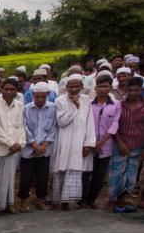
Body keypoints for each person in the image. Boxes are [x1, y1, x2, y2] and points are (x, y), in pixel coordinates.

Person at [51, 74, 96, 210]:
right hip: (65, 141)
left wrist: (88, 143)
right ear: (67, 87)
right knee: (62, 168)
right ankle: (61, 201)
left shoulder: (87, 100)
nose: (74, 89)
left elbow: (90, 123)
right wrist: (74, 107)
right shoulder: (60, 101)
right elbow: (61, 122)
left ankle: (70, 199)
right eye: (71, 87)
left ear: (82, 87)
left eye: (77, 86)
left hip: (80, 140)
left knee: (75, 168)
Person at [81, 75, 120, 209]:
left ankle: (92, 200)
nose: (102, 89)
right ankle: (82, 200)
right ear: (95, 87)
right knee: (85, 174)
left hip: (105, 145)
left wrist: (100, 142)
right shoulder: (88, 104)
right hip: (88, 145)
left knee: (99, 175)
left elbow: (114, 125)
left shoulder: (116, 105)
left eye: (105, 86)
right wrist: (91, 143)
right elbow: (84, 124)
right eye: (100, 86)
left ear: (110, 87)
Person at [19, 83, 56, 212]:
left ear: (47, 95)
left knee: (43, 177)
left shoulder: (53, 108)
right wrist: (34, 145)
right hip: (29, 149)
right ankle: (23, 202)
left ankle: (40, 200)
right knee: (25, 178)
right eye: (37, 97)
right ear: (33, 95)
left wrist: (44, 146)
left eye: (43, 97)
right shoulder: (26, 109)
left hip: (45, 149)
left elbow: (53, 128)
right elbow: (25, 128)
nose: (40, 99)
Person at [0, 78, 26, 214]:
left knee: (10, 178)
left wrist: (20, 144)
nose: (9, 92)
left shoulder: (19, 105)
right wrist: (10, 144)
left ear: (16, 91)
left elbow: (21, 126)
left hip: (15, 148)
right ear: (1, 89)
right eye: (6, 89)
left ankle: (8, 204)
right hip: (0, 147)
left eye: (12, 89)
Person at [109, 76, 144, 211]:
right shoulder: (119, 105)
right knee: (117, 175)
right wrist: (119, 142)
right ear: (126, 90)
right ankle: (112, 201)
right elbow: (114, 126)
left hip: (137, 146)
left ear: (141, 90)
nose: (133, 93)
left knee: (130, 177)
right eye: (130, 90)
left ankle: (121, 200)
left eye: (136, 90)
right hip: (120, 145)